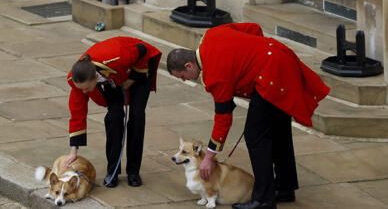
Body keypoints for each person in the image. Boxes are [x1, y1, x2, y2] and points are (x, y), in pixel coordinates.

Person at [167, 23, 330, 209]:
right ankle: (285, 187)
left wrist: (208, 157)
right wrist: (255, 54)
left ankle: (263, 200)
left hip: (270, 76)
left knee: (255, 136)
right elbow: (253, 28)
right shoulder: (211, 34)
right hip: (279, 56)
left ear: (189, 66)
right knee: (278, 129)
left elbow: (223, 120)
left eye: (182, 76)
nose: (184, 80)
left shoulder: (215, 75)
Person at [64, 36, 161, 188]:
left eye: (86, 88)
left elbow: (143, 50)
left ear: (95, 77)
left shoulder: (117, 56)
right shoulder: (77, 80)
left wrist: (131, 79)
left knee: (137, 116)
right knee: (114, 117)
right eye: (81, 88)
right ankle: (113, 171)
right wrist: (73, 151)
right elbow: (77, 113)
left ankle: (133, 172)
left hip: (138, 69)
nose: (83, 92)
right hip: (113, 78)